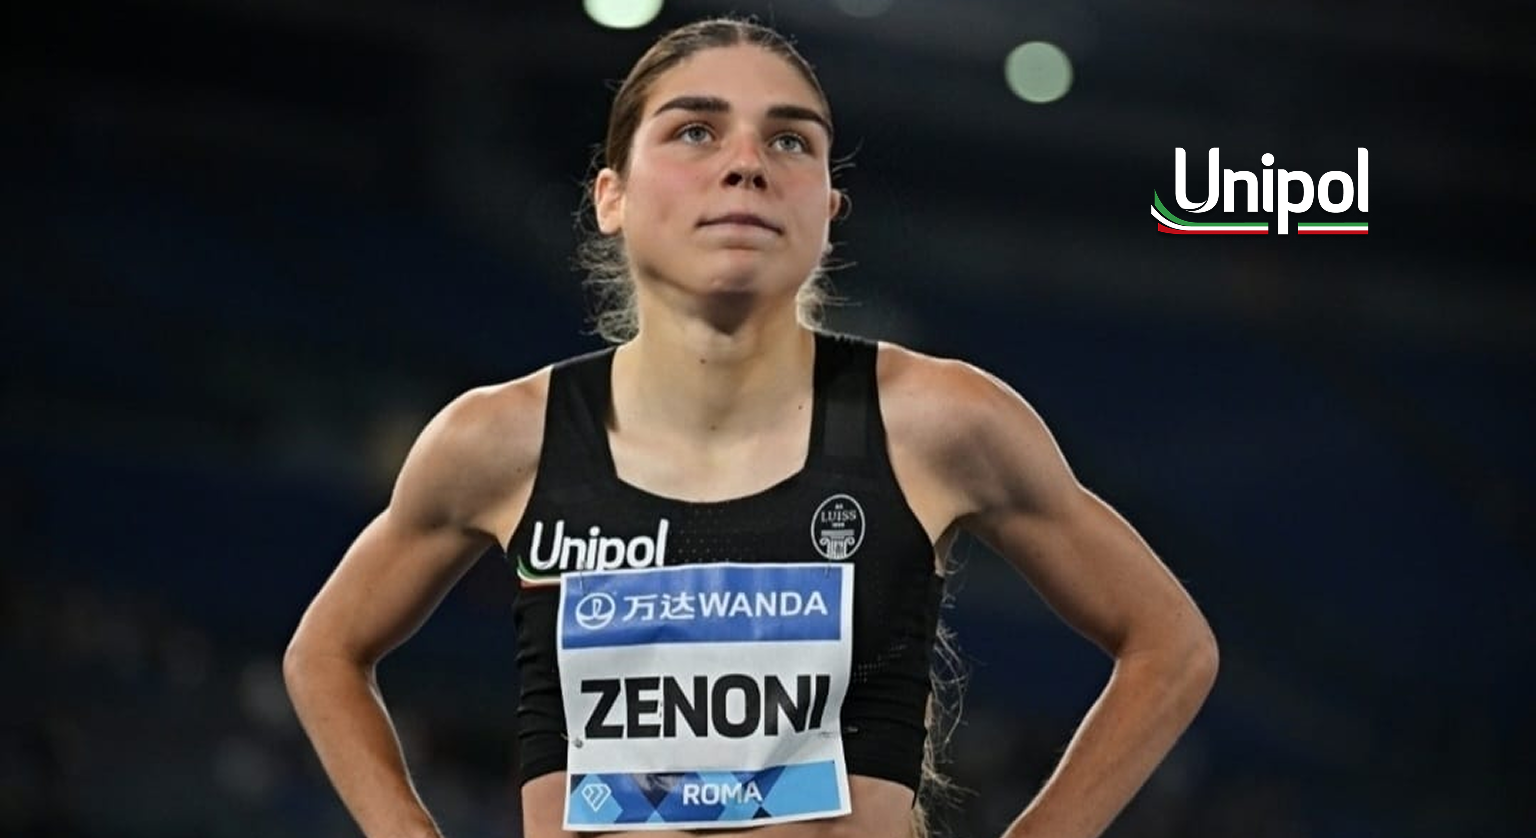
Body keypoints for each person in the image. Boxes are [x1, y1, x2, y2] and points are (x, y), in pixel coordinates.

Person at [283, 16, 1218, 838]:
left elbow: (1171, 647)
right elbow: (324, 654)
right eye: (695, 130)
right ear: (611, 196)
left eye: (790, 141)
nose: (746, 163)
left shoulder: (938, 422)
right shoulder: (501, 441)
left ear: (828, 211)